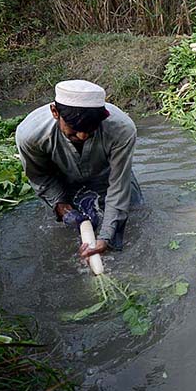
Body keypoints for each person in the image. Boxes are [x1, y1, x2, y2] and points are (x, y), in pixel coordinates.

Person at [15, 79, 142, 260]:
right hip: (64, 179)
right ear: (55, 112)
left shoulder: (121, 129)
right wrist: (61, 206)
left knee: (133, 220)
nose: (82, 136)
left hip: (107, 175)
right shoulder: (31, 135)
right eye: (75, 129)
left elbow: (118, 186)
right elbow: (40, 177)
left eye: (91, 129)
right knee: (65, 234)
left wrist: (106, 236)